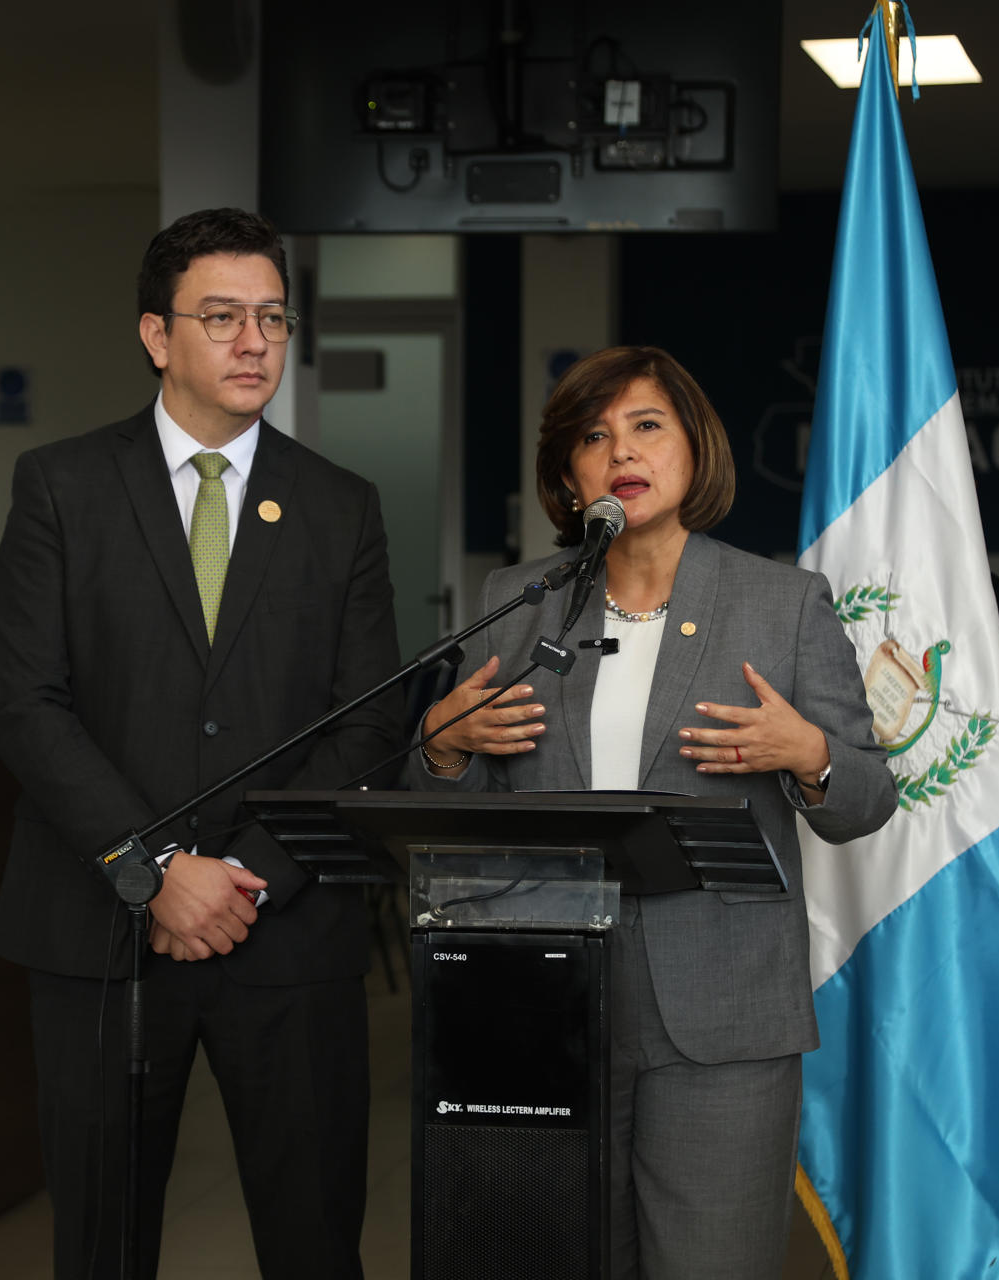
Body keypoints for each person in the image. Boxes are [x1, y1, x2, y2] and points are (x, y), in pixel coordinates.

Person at [407, 346, 896, 1280]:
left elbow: (865, 802)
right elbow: (462, 815)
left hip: (720, 1004)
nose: (619, 452)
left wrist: (811, 756)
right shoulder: (518, 602)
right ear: (567, 474)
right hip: (537, 996)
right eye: (593, 437)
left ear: (694, 448)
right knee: (547, 1256)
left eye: (645, 426)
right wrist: (444, 746)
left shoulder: (782, 602)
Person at [0, 207, 404, 1280]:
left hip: (289, 927)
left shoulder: (340, 506)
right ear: (156, 335)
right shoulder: (62, 488)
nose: (253, 340)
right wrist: (159, 871)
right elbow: (25, 703)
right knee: (102, 1241)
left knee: (315, 1241)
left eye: (271, 316)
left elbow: (370, 717)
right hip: (101, 932)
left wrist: (244, 877)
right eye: (221, 316)